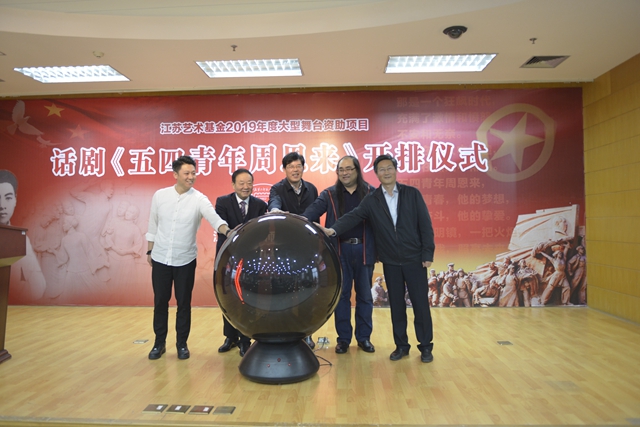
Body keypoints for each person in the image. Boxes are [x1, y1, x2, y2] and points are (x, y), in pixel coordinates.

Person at [316, 154, 436, 363]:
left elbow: (425, 224)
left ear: (395, 170)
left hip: (414, 259)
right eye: (381, 169)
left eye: (389, 168)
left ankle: (425, 346)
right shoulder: (372, 199)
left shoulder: (412, 194)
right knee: (396, 305)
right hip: (390, 260)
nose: (386, 172)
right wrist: (332, 230)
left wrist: (427, 253)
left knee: (420, 305)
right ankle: (401, 346)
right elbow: (353, 216)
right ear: (376, 174)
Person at [145, 156, 231, 360]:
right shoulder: (160, 196)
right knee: (160, 302)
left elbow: (214, 219)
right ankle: (159, 344)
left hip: (185, 259)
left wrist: (228, 232)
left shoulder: (199, 199)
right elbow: (153, 224)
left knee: (184, 303)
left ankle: (182, 345)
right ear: (175, 174)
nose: (191, 177)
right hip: (160, 257)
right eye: (186, 173)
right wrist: (150, 251)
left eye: (193, 173)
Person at [302, 156, 376, 354]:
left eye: (349, 169)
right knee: (341, 297)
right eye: (341, 170)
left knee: (365, 296)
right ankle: (343, 339)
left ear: (357, 170)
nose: (345, 173)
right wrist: (297, 221)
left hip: (364, 250)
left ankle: (364, 338)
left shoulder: (371, 193)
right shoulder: (329, 194)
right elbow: (311, 212)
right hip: (339, 251)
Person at [267, 152, 318, 348]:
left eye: (298, 166)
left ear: (303, 168)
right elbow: (274, 203)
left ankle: (307, 332)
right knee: (284, 291)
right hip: (284, 250)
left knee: (308, 292)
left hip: (307, 248)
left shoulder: (311, 189)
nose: (295, 170)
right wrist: (275, 210)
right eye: (291, 167)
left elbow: (315, 215)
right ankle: (283, 330)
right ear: (284, 169)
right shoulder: (277, 188)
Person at [215, 168, 267, 357]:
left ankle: (245, 340)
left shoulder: (260, 205)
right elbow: (222, 228)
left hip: (250, 259)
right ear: (233, 185)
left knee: (247, 298)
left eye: (249, 183)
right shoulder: (222, 202)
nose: (246, 187)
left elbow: (261, 232)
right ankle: (230, 337)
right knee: (228, 297)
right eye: (241, 183)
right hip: (228, 257)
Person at [1, 170, 47, 302]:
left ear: (15, 199)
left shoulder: (21, 239)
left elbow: (38, 287)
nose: (2, 206)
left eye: (8, 198)